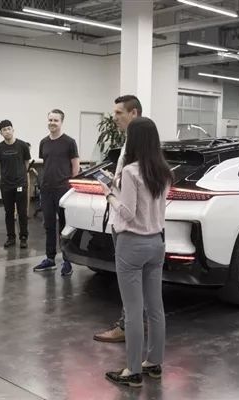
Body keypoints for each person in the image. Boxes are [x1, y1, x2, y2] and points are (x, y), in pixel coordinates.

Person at [100, 117, 172, 387]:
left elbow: (127, 212)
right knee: (155, 308)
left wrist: (109, 194)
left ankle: (132, 371)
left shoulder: (131, 171)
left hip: (132, 244)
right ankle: (154, 362)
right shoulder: (164, 171)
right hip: (157, 243)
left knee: (132, 311)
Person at [94, 95, 143, 343]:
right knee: (134, 280)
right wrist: (114, 178)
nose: (114, 118)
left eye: (119, 113)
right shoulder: (130, 144)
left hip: (126, 220)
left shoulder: (137, 146)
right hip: (126, 219)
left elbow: (134, 185)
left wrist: (110, 191)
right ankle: (135, 323)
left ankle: (127, 326)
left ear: (133, 113)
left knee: (128, 279)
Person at [33, 109, 80, 275]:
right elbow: (46, 163)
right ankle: (50, 259)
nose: (52, 123)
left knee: (65, 227)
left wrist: (73, 189)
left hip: (63, 190)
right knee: (49, 225)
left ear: (61, 122)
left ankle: (67, 261)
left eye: (55, 120)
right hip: (47, 189)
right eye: (50, 120)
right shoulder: (44, 142)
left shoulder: (69, 142)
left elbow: (75, 167)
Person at [0, 120, 31, 249]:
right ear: (1, 133)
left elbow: (26, 163)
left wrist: (21, 176)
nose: (7, 131)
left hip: (20, 184)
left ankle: (23, 237)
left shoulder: (22, 146)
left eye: (9, 128)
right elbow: (0, 163)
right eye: (4, 129)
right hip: (6, 185)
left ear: (13, 130)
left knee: (22, 212)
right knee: (8, 212)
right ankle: (11, 237)